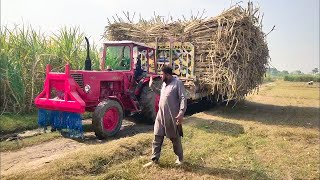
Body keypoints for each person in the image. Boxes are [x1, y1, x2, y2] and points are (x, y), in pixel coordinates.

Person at [143, 65, 187, 167]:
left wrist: (181, 113)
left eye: (161, 74)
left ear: (167, 75)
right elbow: (161, 94)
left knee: (175, 139)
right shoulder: (164, 84)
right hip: (160, 115)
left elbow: (183, 98)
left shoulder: (177, 83)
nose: (160, 76)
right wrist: (152, 87)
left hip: (172, 116)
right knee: (157, 136)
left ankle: (180, 158)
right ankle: (154, 160)